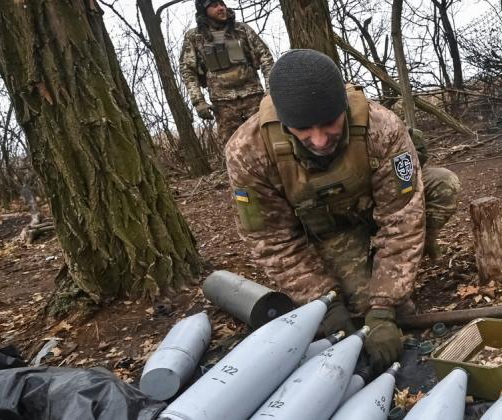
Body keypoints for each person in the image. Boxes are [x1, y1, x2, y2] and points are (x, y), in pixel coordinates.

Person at [224, 50, 461, 370]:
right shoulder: (249, 151)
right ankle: (356, 270)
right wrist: (325, 302)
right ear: (284, 122)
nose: (320, 140)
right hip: (321, 234)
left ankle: (400, 266)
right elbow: (272, 241)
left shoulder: (382, 127)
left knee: (442, 185)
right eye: (304, 129)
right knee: (354, 309)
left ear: (344, 109)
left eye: (329, 124)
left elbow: (402, 218)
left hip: (370, 213)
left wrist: (384, 306)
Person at [179, 0, 274, 143]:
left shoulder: (241, 29)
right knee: (233, 149)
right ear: (204, 10)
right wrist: (198, 101)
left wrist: (270, 89)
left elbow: (265, 57)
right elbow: (188, 69)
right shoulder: (195, 37)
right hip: (223, 104)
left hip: (253, 97)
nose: (221, 8)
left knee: (267, 141)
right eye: (214, 5)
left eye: (222, 4)